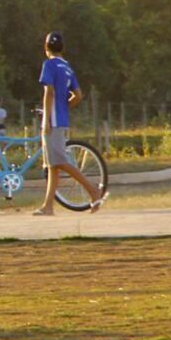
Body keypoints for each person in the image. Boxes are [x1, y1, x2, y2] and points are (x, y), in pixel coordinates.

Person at [33, 32, 109, 216]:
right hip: (62, 119)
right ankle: (48, 206)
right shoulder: (67, 67)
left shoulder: (49, 65)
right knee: (53, 165)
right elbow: (78, 96)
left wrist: (46, 119)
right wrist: (64, 107)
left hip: (52, 121)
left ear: (46, 48)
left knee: (59, 161)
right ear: (63, 48)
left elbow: (49, 92)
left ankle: (93, 191)